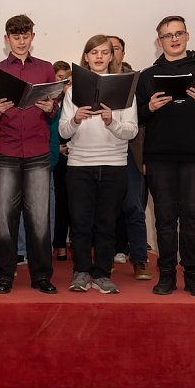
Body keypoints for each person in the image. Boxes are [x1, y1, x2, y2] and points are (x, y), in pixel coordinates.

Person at [136, 15, 195, 297]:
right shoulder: (147, 76)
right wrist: (149, 107)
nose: (174, 39)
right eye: (168, 35)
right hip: (159, 156)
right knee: (164, 218)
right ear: (159, 41)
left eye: (179, 33)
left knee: (192, 217)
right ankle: (166, 275)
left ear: (187, 36)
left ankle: (193, 275)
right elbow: (135, 118)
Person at [0, 14, 59, 294]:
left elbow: (53, 110)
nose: (20, 41)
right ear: (7, 39)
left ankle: (41, 276)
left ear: (32, 37)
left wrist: (48, 108)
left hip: (38, 150)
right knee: (5, 217)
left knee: (39, 217)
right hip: (6, 150)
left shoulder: (46, 69)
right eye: (15, 36)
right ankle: (5, 274)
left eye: (25, 35)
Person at [59, 35, 138, 294]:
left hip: (114, 164)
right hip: (80, 165)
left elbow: (132, 131)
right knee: (81, 222)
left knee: (106, 223)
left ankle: (102, 273)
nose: (100, 57)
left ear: (112, 56)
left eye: (105, 52)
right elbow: (63, 131)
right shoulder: (72, 92)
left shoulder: (125, 89)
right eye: (94, 53)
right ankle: (81, 271)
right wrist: (76, 120)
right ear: (86, 57)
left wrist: (111, 120)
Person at [108, 36, 151, 280]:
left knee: (134, 207)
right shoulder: (94, 80)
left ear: (123, 53)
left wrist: (145, 157)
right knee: (106, 210)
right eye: (106, 50)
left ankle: (140, 259)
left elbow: (144, 121)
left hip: (130, 154)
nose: (110, 54)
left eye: (115, 49)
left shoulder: (137, 81)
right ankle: (106, 257)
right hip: (102, 154)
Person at [51, 61, 71, 264]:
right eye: (59, 77)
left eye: (67, 77)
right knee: (55, 202)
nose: (63, 81)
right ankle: (57, 243)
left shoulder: (73, 100)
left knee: (67, 203)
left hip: (71, 157)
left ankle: (63, 243)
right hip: (53, 157)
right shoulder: (48, 100)